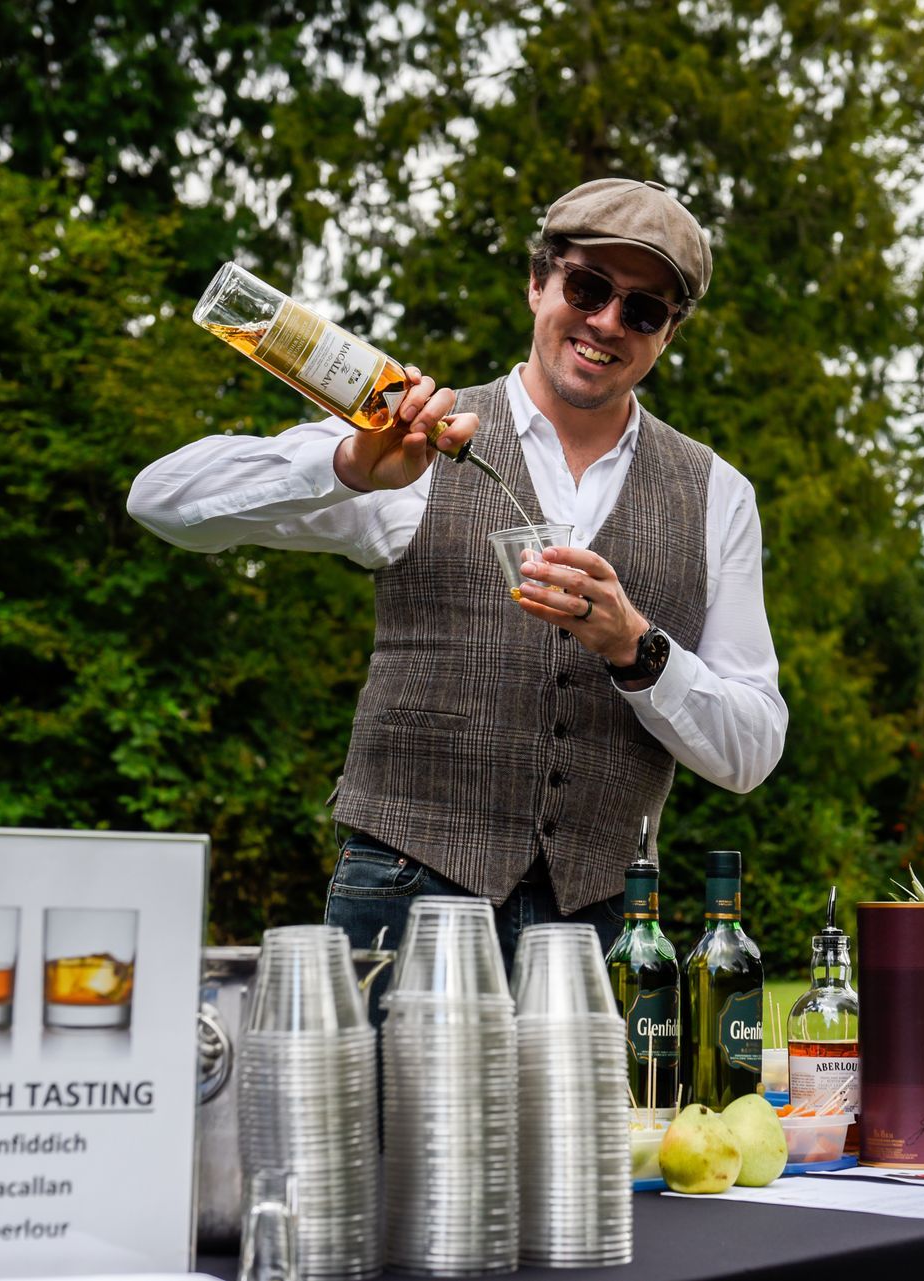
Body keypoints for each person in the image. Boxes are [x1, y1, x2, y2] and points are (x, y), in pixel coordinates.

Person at [128, 178, 786, 977]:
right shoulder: (415, 440)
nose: (607, 322)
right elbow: (163, 501)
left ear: (668, 333)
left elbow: (752, 748)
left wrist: (636, 647)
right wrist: (348, 466)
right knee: (379, 1111)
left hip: (602, 929)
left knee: (600, 1114)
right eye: (587, 287)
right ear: (538, 281)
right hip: (403, 903)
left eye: (643, 310)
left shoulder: (717, 494)